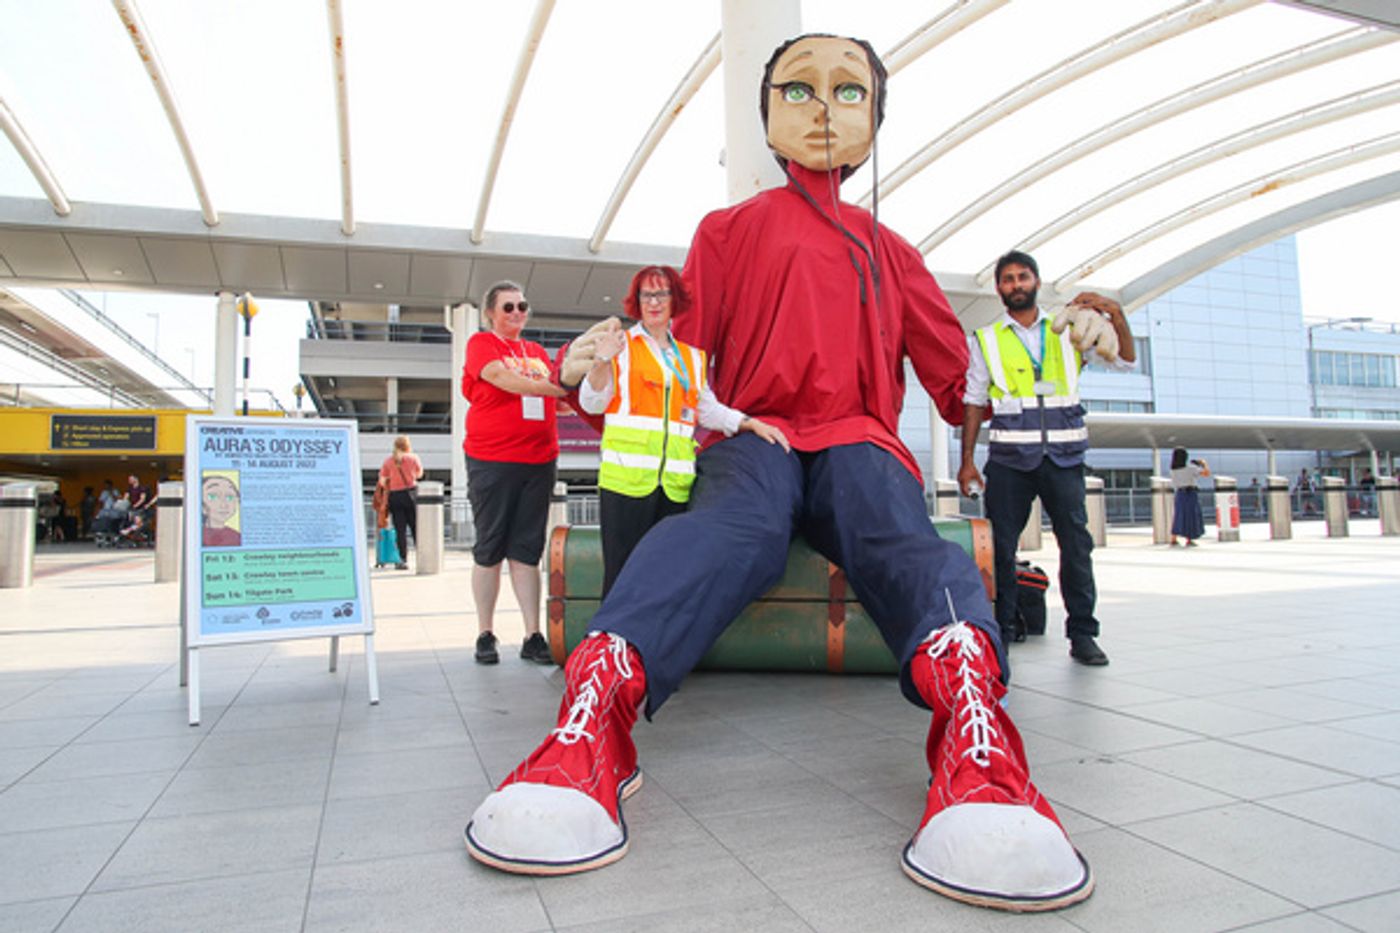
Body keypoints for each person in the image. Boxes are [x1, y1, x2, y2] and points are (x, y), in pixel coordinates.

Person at [465, 35, 1093, 913]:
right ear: (765, 116)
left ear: (875, 119)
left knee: (896, 529)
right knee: (722, 531)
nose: (824, 109)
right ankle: (594, 719)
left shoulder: (894, 252)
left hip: (859, 440)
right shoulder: (725, 236)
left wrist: (1062, 341)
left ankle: (978, 743)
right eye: (799, 90)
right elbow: (673, 353)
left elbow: (962, 387)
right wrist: (597, 369)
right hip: (752, 435)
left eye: (848, 92)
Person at [958, 250, 1134, 668]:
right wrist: (967, 460)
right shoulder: (985, 339)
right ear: (999, 288)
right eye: (1007, 279)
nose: (1016, 285)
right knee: (999, 549)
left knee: (1076, 546)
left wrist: (1116, 314)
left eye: (1023, 277)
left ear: (1037, 281)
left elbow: (1126, 362)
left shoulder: (1068, 329)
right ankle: (999, 633)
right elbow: (973, 400)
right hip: (1010, 460)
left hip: (1064, 457)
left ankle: (1083, 635)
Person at [574, 265, 788, 595]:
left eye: (662, 294)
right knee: (622, 577)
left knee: (665, 576)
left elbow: (707, 410)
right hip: (626, 484)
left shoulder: (690, 358)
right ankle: (615, 645)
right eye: (647, 294)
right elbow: (591, 402)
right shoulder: (621, 347)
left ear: (675, 301)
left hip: (674, 487)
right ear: (637, 301)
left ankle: (660, 646)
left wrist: (749, 423)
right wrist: (602, 361)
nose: (654, 302)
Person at [462, 281, 567, 666]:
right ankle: (485, 633)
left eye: (522, 305)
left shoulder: (537, 352)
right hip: (492, 459)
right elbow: (503, 379)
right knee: (490, 548)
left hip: (538, 461)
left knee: (527, 549)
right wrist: (553, 389)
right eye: (508, 307)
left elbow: (561, 399)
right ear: (491, 312)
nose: (517, 313)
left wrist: (576, 394)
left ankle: (532, 634)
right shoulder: (481, 345)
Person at [379, 435, 423, 571]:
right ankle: (422, 558)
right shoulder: (413, 458)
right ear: (407, 445)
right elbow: (419, 474)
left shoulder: (388, 461)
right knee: (416, 528)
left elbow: (382, 480)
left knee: (400, 530)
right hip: (411, 494)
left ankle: (402, 560)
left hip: (395, 496)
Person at [1169, 448, 1210, 547]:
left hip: (1179, 494)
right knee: (1191, 516)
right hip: (1190, 493)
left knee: (1179, 515)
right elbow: (1206, 473)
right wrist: (1204, 464)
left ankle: (1173, 538)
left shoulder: (1173, 470)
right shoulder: (1190, 469)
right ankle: (1189, 539)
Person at [200, 473, 242, 547]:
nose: (224, 505)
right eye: (213, 496)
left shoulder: (237, 537)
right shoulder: (196, 535)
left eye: (230, 497)